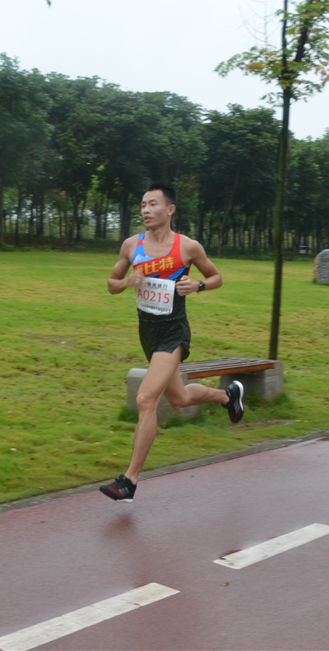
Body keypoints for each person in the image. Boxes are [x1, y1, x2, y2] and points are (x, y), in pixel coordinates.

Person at [99, 182, 244, 502]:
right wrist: (127, 282)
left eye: (152, 204)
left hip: (174, 330)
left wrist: (197, 287)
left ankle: (129, 481)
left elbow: (216, 276)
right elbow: (111, 283)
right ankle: (227, 396)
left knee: (145, 400)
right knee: (177, 400)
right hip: (147, 331)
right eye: (142, 205)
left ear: (170, 210)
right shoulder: (130, 245)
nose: (146, 210)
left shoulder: (188, 247)